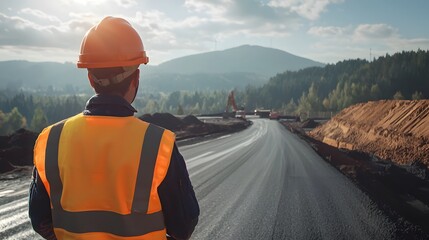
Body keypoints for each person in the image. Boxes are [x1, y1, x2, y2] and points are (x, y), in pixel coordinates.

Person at [29, 16, 199, 240]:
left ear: (90, 78)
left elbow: (39, 219)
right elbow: (183, 226)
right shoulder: (157, 143)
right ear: (136, 78)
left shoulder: (50, 140)